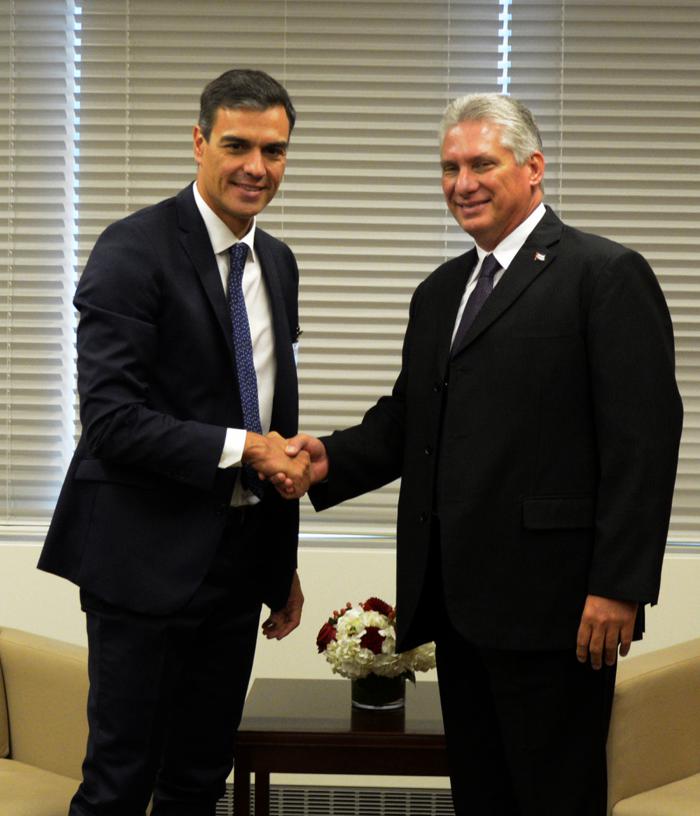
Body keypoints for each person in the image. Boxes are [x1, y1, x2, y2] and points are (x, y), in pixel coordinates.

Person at [276, 94, 683, 815]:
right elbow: (412, 421)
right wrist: (327, 459)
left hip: (559, 608)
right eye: (449, 167)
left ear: (533, 169)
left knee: (553, 798)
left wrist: (620, 582)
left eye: (481, 163)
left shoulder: (604, 275)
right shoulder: (440, 293)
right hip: (457, 603)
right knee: (483, 797)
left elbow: (644, 439)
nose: (462, 182)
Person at [38, 68, 311, 816]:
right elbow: (112, 420)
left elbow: (274, 412)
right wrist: (247, 449)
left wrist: (277, 564)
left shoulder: (278, 264)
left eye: (275, 150)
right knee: (120, 782)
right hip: (142, 563)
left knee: (199, 780)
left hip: (236, 563)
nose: (257, 167)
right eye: (237, 145)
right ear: (199, 142)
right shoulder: (133, 249)